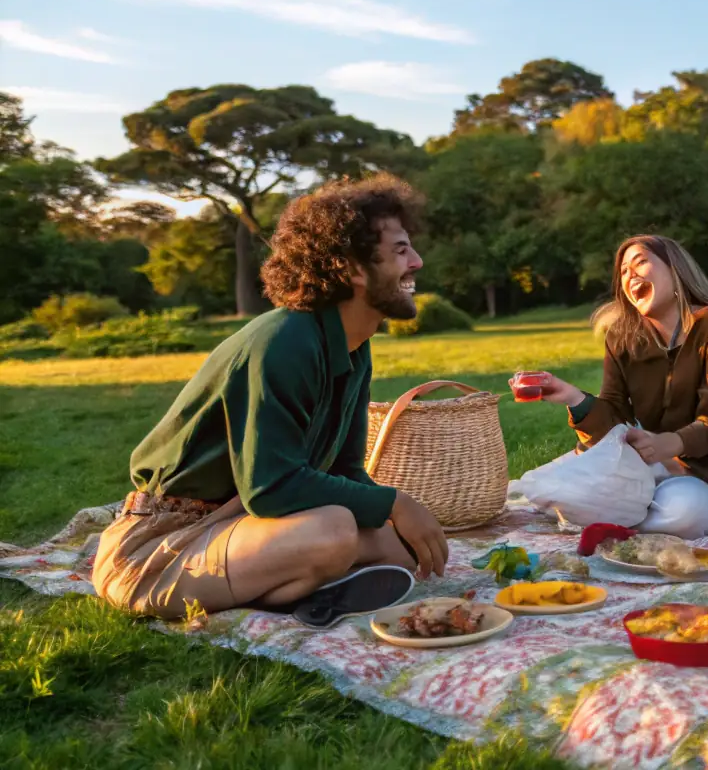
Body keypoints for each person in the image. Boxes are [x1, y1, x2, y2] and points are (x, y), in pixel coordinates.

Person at [92, 175, 449, 626]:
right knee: (335, 531)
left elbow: (343, 471)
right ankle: (300, 589)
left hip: (242, 529)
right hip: (162, 548)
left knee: (398, 553)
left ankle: (309, 584)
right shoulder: (286, 340)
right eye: (401, 250)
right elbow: (271, 487)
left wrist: (395, 517)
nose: (416, 262)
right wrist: (396, 503)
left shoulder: (353, 347)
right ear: (351, 268)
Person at [530, 235, 708, 539]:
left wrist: (668, 444)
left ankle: (616, 521)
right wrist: (572, 397)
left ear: (675, 270)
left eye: (641, 262)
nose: (629, 275)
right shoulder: (621, 337)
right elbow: (614, 419)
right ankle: (626, 513)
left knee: (684, 516)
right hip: (638, 469)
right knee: (551, 496)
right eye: (623, 272)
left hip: (699, 476)